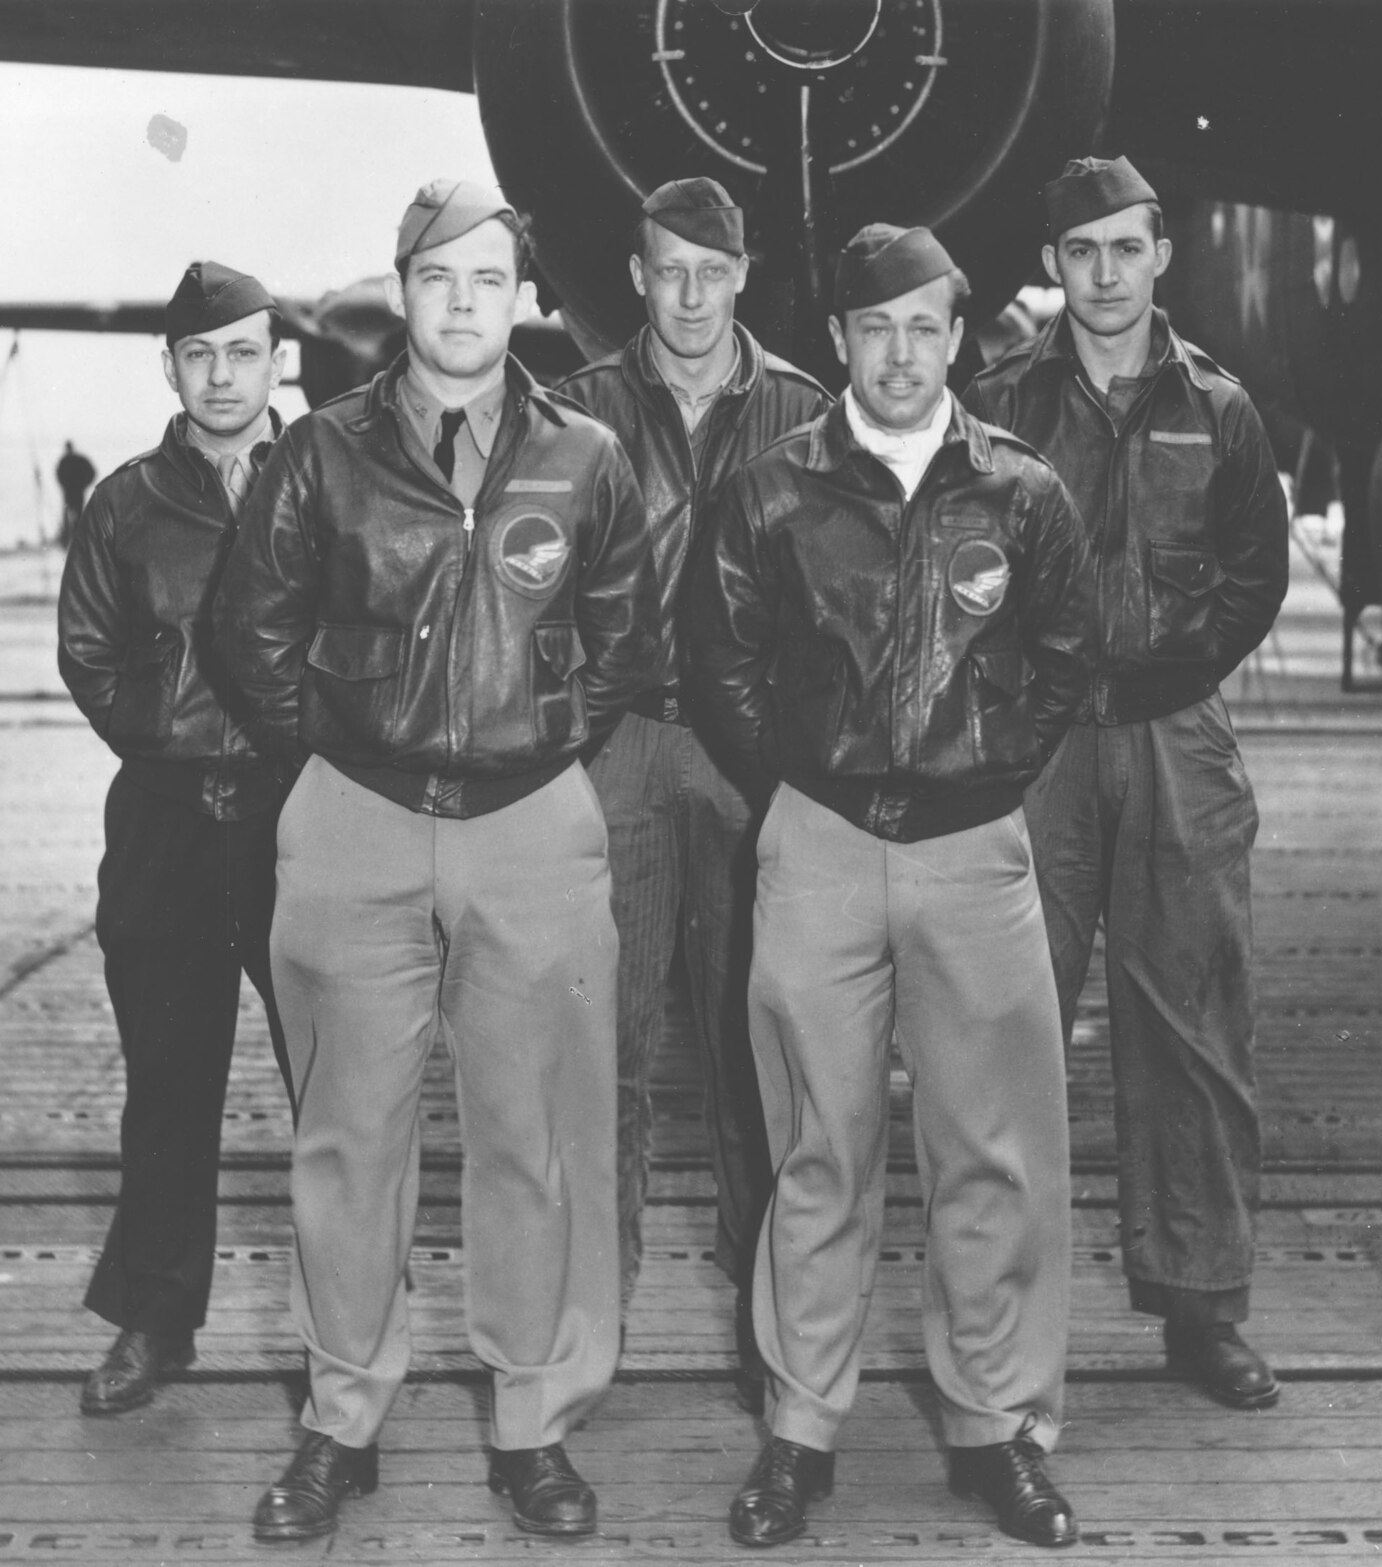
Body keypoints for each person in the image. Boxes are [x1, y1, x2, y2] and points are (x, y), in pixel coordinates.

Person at [213, 180, 657, 1546]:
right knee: (351, 1137)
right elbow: (248, 635)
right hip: (356, 814)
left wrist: (525, 742)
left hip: (533, 821)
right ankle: (341, 1416)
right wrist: (359, 744)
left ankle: (531, 1418)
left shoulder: (585, 455)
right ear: (400, 289)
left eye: (487, 281)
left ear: (522, 297)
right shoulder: (319, 457)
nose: (462, 306)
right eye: (435, 279)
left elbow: (625, 638)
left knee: (538, 1135)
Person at [691, 223, 1093, 1550]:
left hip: (977, 854)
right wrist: (814, 774)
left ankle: (997, 1429)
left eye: (926, 325)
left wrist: (975, 771)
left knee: (993, 1149)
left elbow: (1062, 658)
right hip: (817, 843)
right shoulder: (770, 488)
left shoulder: (1023, 490)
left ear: (958, 334)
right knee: (820, 1146)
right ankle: (798, 1433)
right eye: (877, 328)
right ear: (840, 344)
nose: (903, 350)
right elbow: (725, 660)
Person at [963, 155, 1291, 1411]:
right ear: (1051, 265)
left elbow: (1252, 575)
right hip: (1033, 756)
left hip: (1173, 740)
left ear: (1161, 255)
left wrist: (1161, 665)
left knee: (1195, 1026)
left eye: (1124, 249)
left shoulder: (1218, 406)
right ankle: (1002, 1312)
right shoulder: (997, 402)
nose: (1102, 275)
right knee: (1004, 1026)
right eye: (1078, 252)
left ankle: (1201, 1310)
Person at [554, 177, 828, 1405]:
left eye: (710, 272)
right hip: (617, 748)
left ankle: (770, 1333)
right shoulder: (574, 409)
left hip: (745, 759)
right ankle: (583, 1332)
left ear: (742, 276)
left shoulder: (803, 414)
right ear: (635, 276)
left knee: (755, 1043)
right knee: (596, 1042)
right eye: (667, 269)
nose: (688, 294)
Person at [57, 260, 297, 1419]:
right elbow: (90, 654)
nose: (219, 375)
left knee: (340, 1084)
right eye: (197, 355)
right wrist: (188, 732)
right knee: (167, 1080)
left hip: (302, 821)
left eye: (240, 352)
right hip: (165, 821)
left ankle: (348, 1330)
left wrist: (297, 744)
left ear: (276, 360)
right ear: (169, 366)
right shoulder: (123, 503)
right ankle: (155, 1321)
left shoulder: (328, 481)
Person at [56, 440, 98, 548]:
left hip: (74, 494)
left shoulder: (69, 461)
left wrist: (84, 485)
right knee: (71, 518)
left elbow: (91, 472)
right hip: (72, 493)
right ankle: (71, 541)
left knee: (75, 518)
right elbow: (59, 476)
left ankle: (75, 541)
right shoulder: (69, 461)